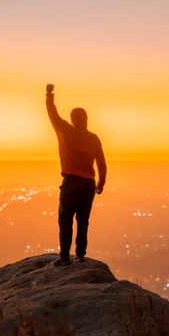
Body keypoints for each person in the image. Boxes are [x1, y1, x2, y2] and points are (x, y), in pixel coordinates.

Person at [45, 84, 107, 266]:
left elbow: (52, 114)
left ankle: (64, 257)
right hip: (88, 184)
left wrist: (49, 95)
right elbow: (102, 163)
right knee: (83, 220)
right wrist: (101, 183)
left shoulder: (66, 130)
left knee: (65, 218)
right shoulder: (94, 138)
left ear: (72, 119)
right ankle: (80, 255)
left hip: (72, 182)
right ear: (86, 119)